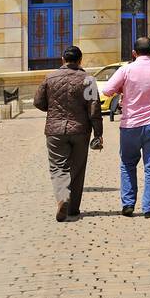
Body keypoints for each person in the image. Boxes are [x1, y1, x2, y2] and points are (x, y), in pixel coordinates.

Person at [101, 36, 150, 218]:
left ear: (134, 53)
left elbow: (106, 91)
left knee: (128, 164)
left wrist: (122, 90)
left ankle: (128, 204)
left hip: (130, 125)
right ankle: (149, 207)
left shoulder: (126, 70)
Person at [33, 45, 104, 222]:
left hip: (55, 130)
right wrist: (98, 133)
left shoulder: (50, 78)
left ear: (62, 60)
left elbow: (38, 101)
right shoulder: (88, 79)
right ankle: (73, 208)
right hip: (80, 130)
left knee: (58, 168)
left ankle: (62, 197)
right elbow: (94, 108)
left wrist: (52, 110)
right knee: (77, 169)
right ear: (80, 60)